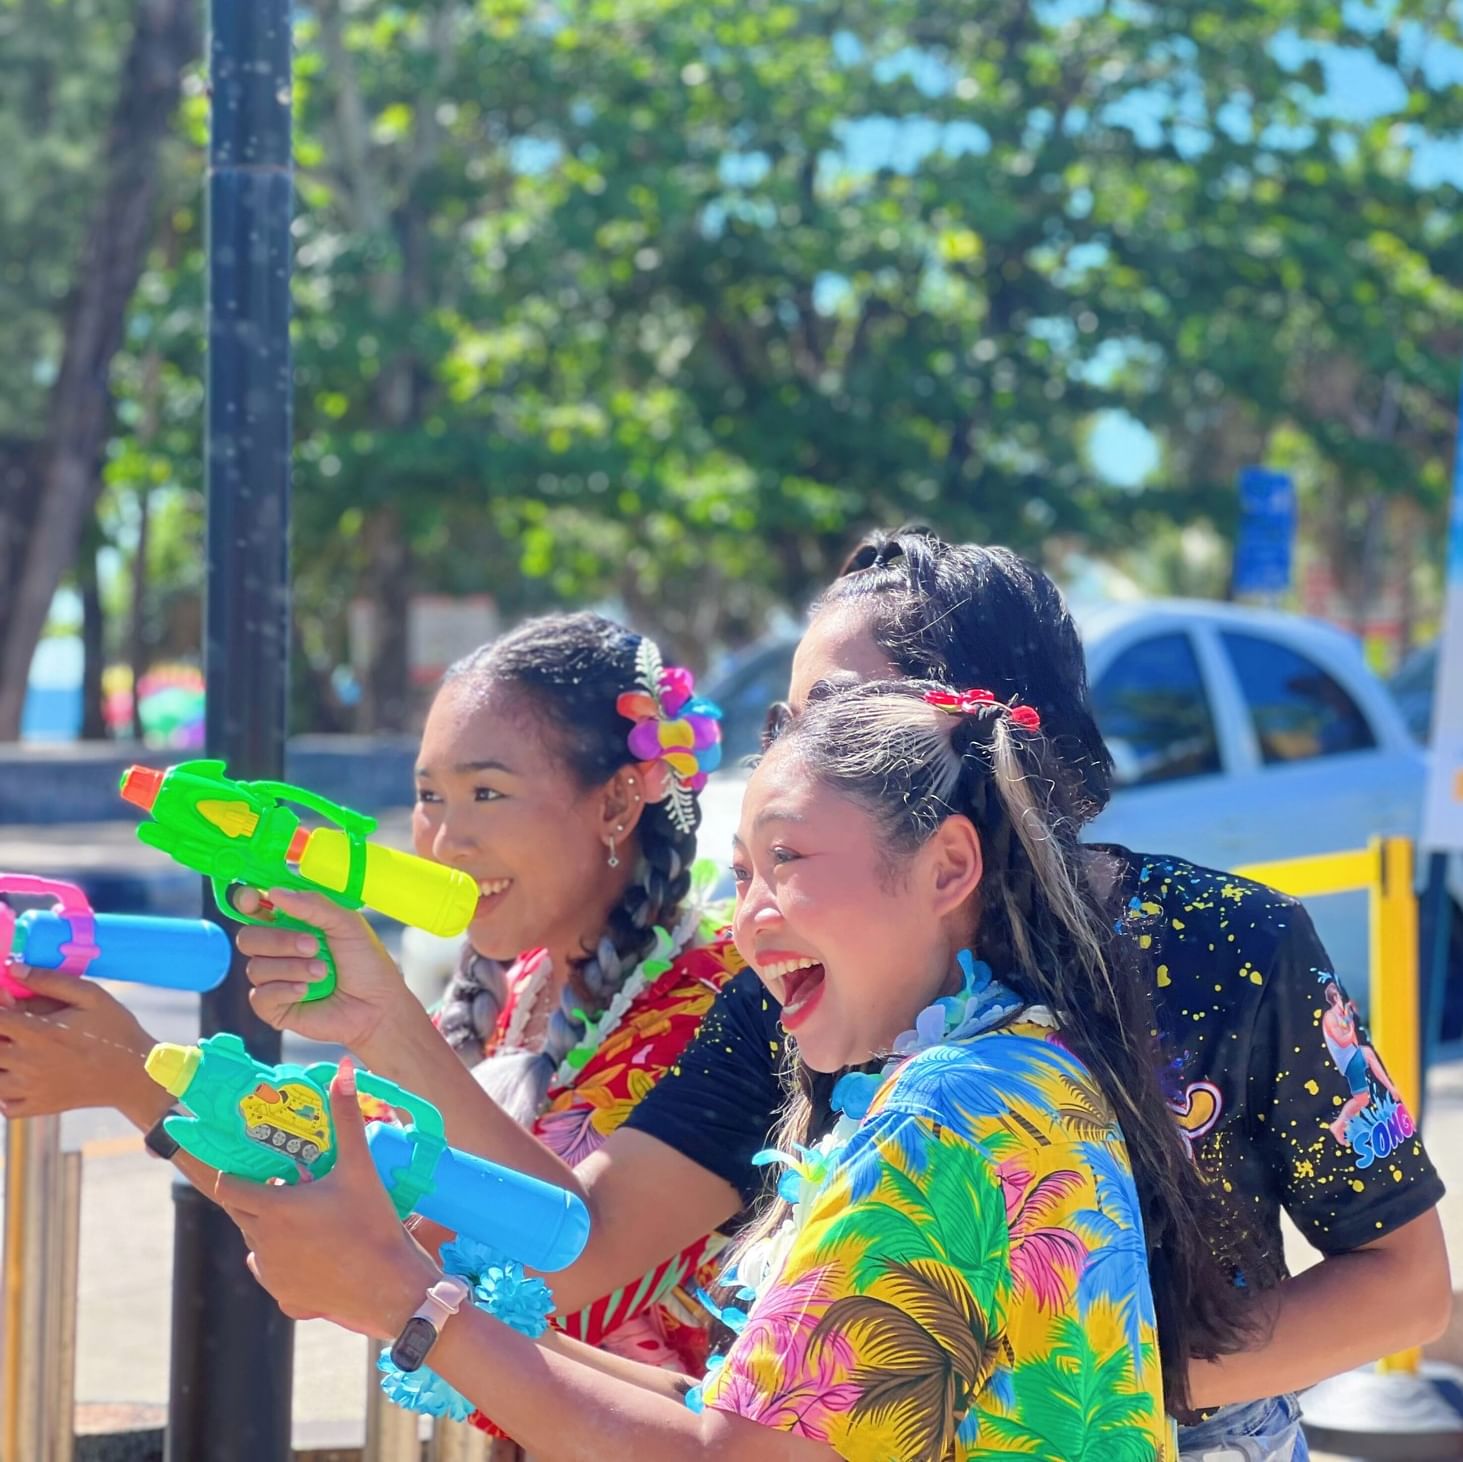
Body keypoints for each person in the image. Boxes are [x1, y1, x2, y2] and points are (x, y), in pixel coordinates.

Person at [218, 534, 1454, 1453]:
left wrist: (1066, 1388)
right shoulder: (815, 979)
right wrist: (381, 1022)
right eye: (783, 715)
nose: (791, 751)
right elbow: (594, 1253)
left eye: (836, 714)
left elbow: (1403, 1284)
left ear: (965, 759)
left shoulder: (1179, 970)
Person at [222, 678, 1247, 1459]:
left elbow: (728, 1454)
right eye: (743, 872)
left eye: (788, 863)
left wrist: (407, 1300)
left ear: (945, 868)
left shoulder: (948, 1114)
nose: (748, 923)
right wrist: (416, 1301)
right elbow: (748, 1415)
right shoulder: (1009, 1072)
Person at [0, 612, 739, 1417]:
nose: (445, 838)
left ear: (619, 799)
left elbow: (558, 1259)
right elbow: (327, 1201)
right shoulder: (513, 985)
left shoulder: (723, 1000)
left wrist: (376, 1023)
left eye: (486, 792)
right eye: (429, 795)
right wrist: (125, 1065)